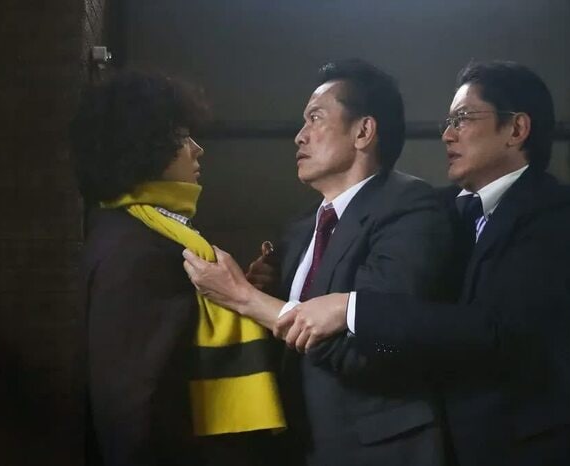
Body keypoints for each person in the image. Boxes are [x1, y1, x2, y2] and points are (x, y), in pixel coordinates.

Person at [275, 61, 570, 466]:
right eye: (448, 122)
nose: (447, 134)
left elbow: (498, 329)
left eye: (462, 119)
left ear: (516, 129)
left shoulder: (555, 212)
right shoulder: (432, 209)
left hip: (522, 447)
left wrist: (350, 308)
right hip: (438, 444)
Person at [182, 59, 455, 466]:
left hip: (378, 450)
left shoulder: (411, 208)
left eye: (315, 118)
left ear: (363, 131)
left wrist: (244, 298)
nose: (299, 136)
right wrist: (266, 292)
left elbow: (380, 345)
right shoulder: (300, 229)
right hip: (299, 445)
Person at [71, 72, 285, 466]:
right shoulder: (137, 249)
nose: (197, 149)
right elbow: (131, 400)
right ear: (143, 146)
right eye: (183, 137)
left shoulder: (146, 231)